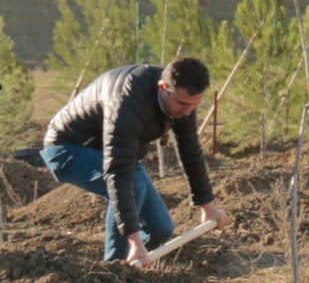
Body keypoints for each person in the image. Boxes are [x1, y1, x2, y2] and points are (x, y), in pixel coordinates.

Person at [42, 58, 229, 264]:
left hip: (113, 150)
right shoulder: (127, 101)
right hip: (67, 148)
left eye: (194, 105)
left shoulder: (183, 101)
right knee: (134, 186)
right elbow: (118, 171)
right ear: (162, 87)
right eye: (183, 104)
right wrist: (133, 240)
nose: (187, 112)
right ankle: (113, 270)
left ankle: (132, 268)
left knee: (160, 229)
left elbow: (190, 151)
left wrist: (208, 207)